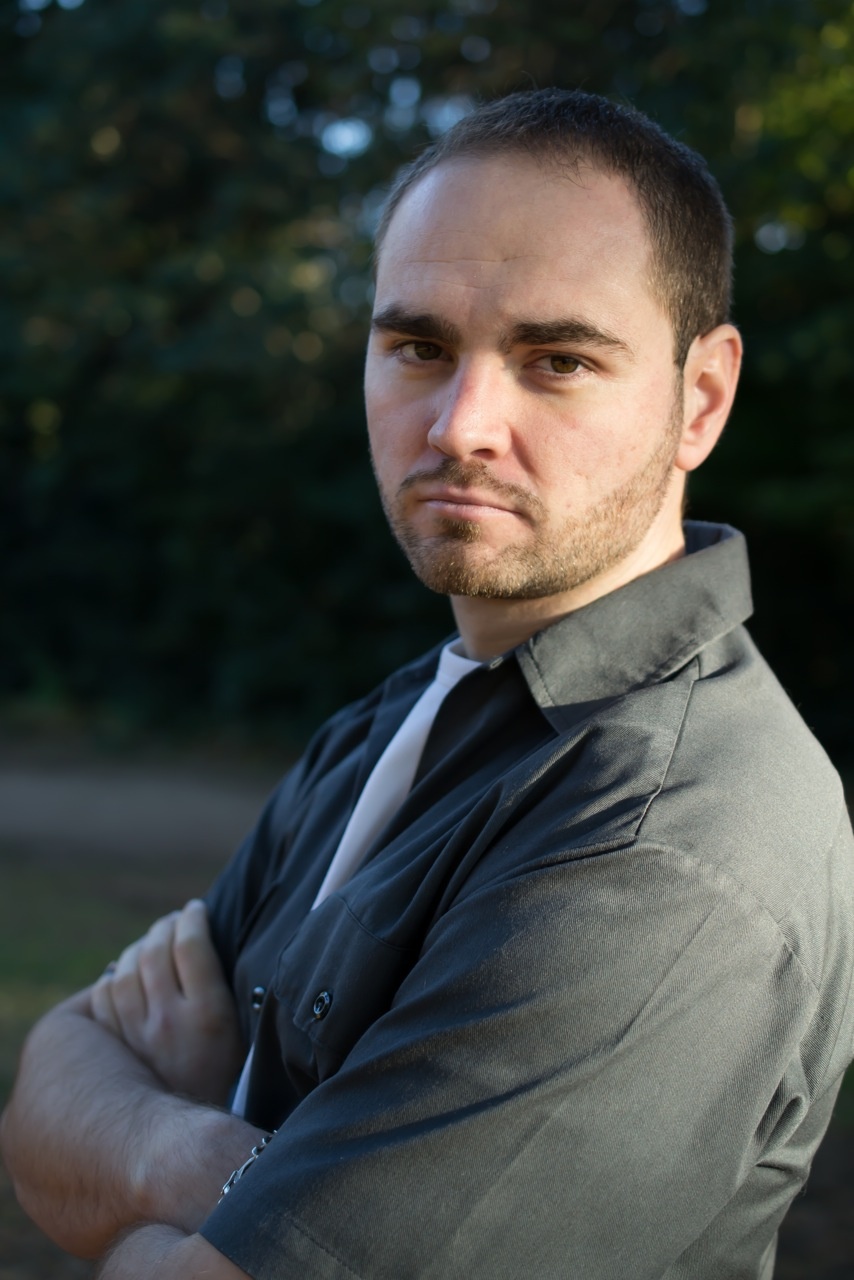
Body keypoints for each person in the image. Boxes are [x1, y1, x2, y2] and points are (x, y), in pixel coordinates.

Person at [2, 87, 853, 1280]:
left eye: (556, 360)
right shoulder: (405, 710)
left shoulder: (666, 832)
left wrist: (148, 1172)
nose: (459, 425)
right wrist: (199, 1151)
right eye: (418, 348)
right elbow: (45, 1093)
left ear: (699, 398)